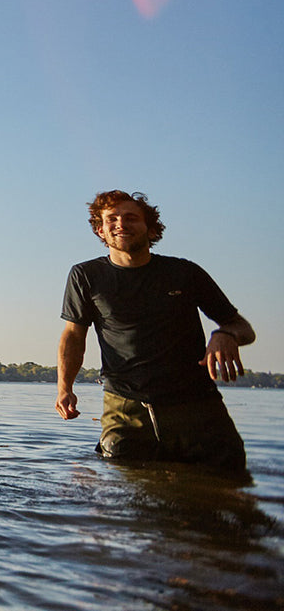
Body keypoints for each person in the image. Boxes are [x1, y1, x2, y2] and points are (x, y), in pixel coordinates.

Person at [55, 190, 256, 471]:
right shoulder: (85, 276)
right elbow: (73, 336)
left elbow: (242, 327)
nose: (121, 224)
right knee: (126, 501)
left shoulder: (185, 272)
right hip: (126, 409)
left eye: (131, 217)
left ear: (150, 227)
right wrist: (65, 388)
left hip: (198, 408)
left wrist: (225, 334)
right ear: (100, 230)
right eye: (112, 219)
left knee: (230, 495)